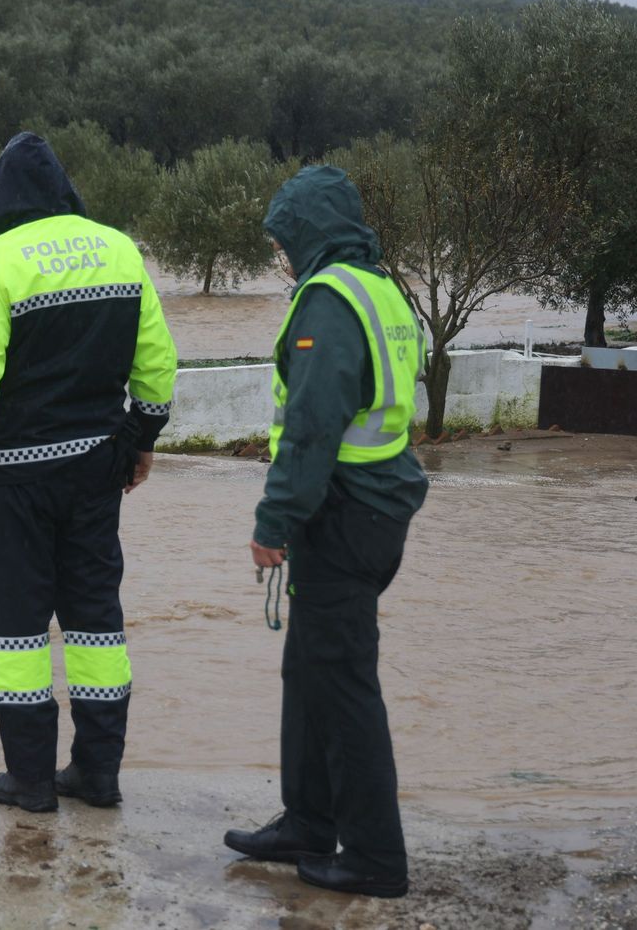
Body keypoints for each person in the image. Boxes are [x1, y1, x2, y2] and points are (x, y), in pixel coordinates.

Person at [0, 132, 177, 814]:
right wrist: (140, 441)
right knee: (95, 624)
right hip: (96, 475)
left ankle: (29, 781)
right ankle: (100, 775)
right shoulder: (118, 248)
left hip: (16, 482)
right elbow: (157, 367)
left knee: (19, 630)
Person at [223, 166, 428, 899]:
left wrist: (273, 521)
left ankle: (374, 858)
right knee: (308, 670)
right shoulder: (379, 287)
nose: (279, 253)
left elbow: (311, 428)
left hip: (344, 512)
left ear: (306, 233)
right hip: (371, 506)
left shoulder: (330, 300)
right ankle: (308, 822)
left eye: (281, 239)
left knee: (342, 685)